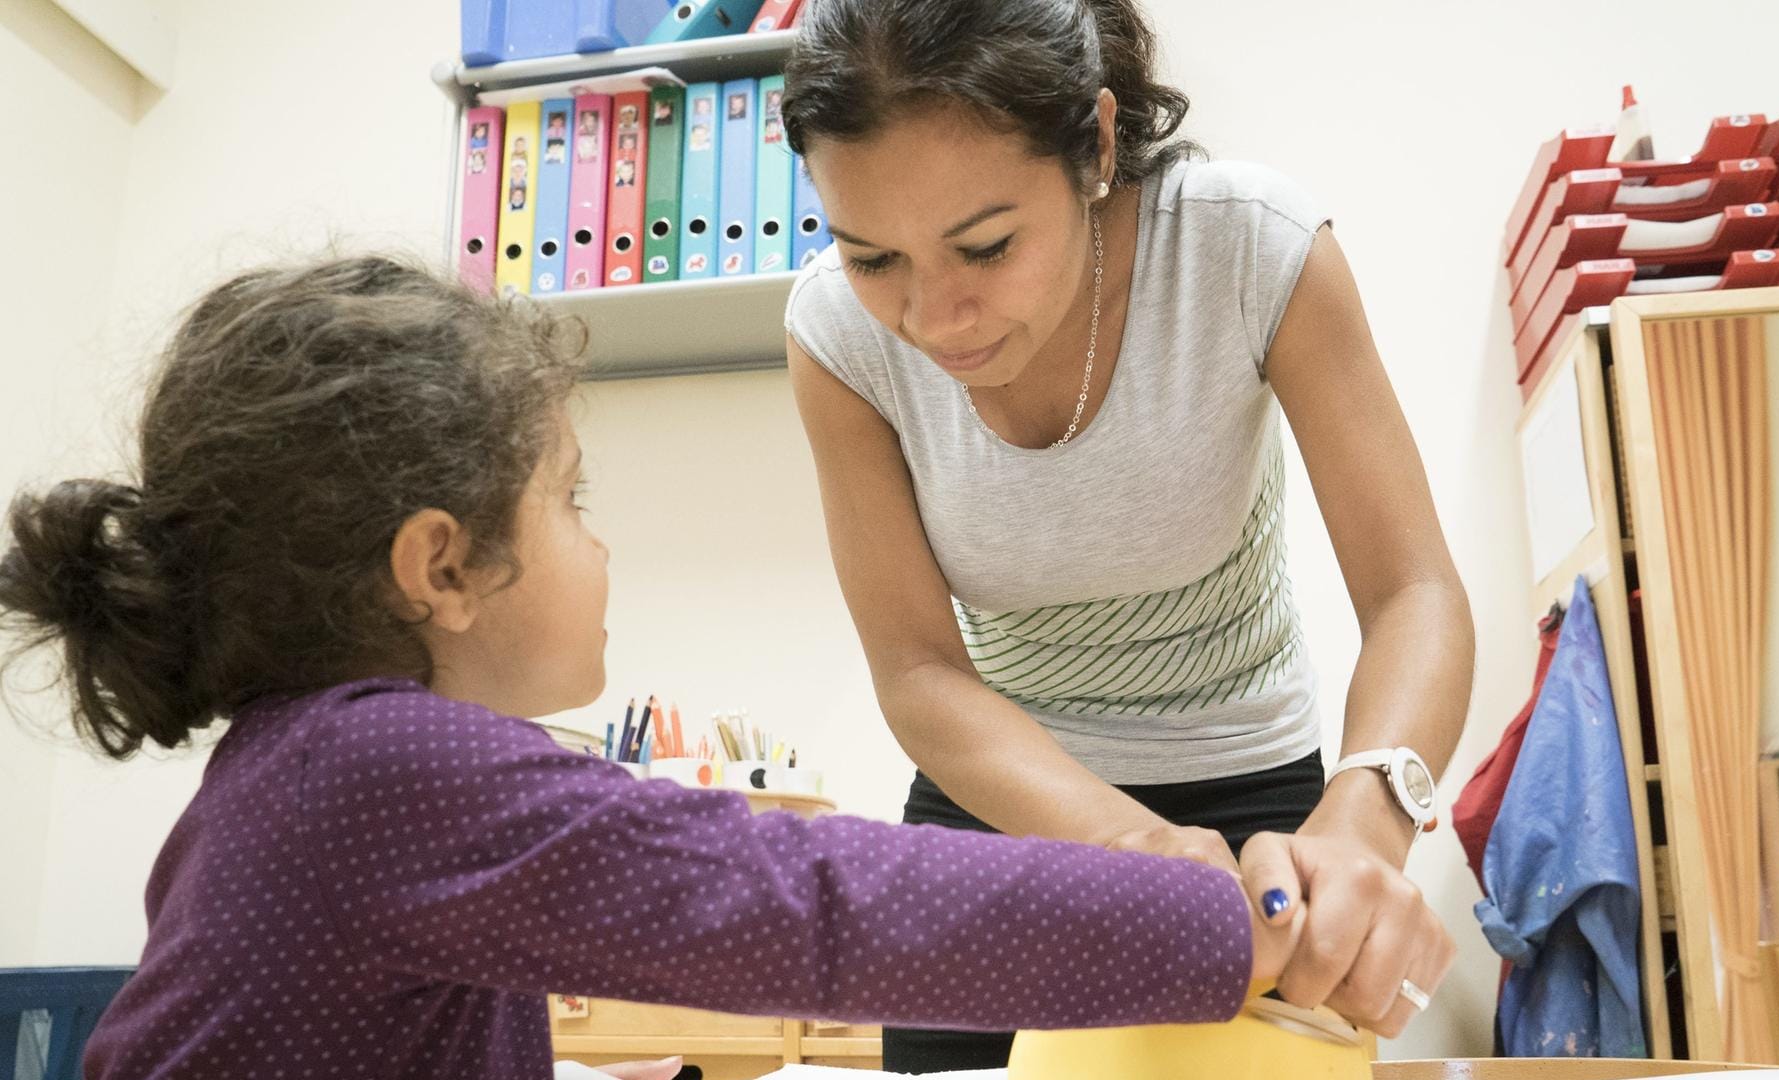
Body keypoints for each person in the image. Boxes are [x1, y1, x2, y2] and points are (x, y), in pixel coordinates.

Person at [0, 255, 1312, 1080]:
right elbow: (813, 902)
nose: (600, 543)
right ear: (439, 569)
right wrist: (1218, 929)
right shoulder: (378, 766)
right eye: (573, 499)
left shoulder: (296, 771)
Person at [780, 0, 1472, 1069]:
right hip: (999, 799)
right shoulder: (835, 337)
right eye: (874, 258)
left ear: (1097, 144)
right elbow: (918, 669)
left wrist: (1369, 817)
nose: (934, 319)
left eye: (987, 246)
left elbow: (1413, 592)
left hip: (1261, 806)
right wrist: (1127, 842)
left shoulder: (1249, 250)